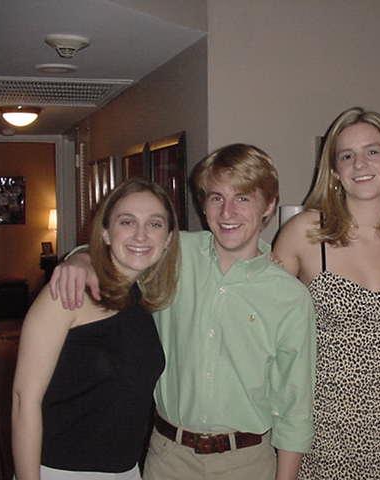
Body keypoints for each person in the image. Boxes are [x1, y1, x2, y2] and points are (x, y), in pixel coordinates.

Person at [49, 144, 316, 480]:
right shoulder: (173, 254)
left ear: (270, 205)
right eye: (216, 197)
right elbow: (119, 248)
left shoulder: (289, 297)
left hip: (247, 463)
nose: (227, 212)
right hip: (168, 458)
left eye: (243, 198)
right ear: (203, 204)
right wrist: (81, 258)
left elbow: (295, 408)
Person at [273, 107, 380, 480]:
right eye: (347, 156)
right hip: (323, 429)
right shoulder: (305, 232)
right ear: (335, 171)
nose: (360, 164)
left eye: (372, 151)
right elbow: (263, 328)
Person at [12, 178, 180, 480]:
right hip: (61, 471)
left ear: (168, 239)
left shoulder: (140, 299)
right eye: (127, 221)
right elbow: (24, 401)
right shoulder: (68, 295)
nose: (141, 234)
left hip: (126, 470)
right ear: (105, 232)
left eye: (155, 224)